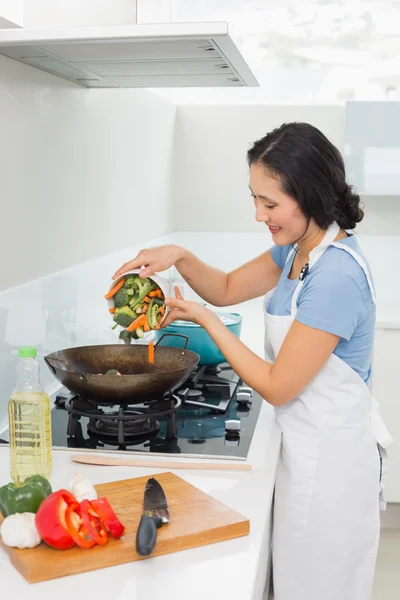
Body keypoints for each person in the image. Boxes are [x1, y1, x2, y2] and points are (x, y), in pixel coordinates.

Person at [113, 122, 392, 600]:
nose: (260, 215)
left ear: (312, 196)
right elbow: (225, 287)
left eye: (271, 203)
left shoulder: (336, 275)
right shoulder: (295, 250)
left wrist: (207, 321)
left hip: (331, 468)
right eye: (255, 199)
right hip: (303, 448)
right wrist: (178, 255)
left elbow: (280, 385)